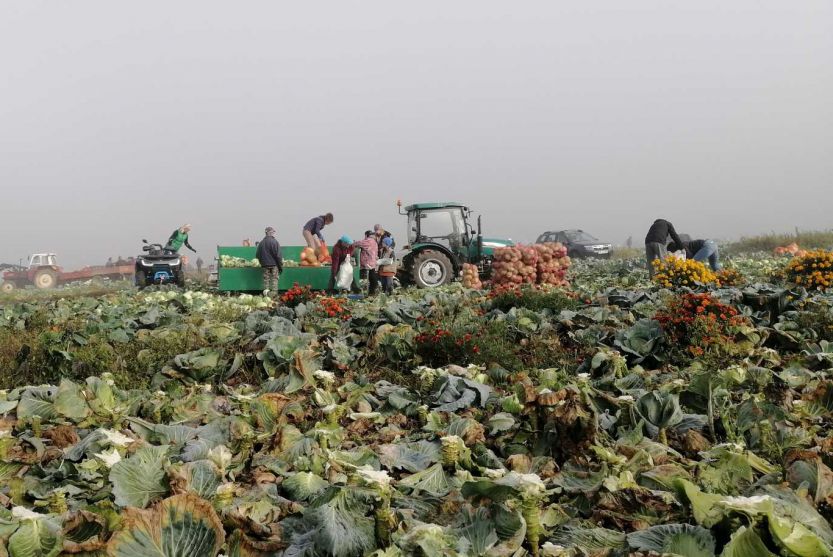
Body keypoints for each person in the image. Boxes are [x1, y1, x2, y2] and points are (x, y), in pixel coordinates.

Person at [256, 227, 284, 296]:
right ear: (270, 232)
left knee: (266, 280)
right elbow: (278, 256)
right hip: (274, 265)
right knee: (274, 279)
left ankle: (266, 295)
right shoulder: (274, 242)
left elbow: (257, 255)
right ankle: (274, 295)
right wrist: (280, 266)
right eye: (273, 232)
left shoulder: (261, 243)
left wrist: (262, 262)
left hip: (265, 265)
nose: (273, 233)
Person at [353, 230, 380, 295]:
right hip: (372, 263)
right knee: (372, 278)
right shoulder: (375, 242)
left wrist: (352, 243)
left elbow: (358, 243)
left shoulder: (368, 241)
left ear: (366, 235)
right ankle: (372, 293)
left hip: (366, 263)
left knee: (362, 278)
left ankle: (360, 291)